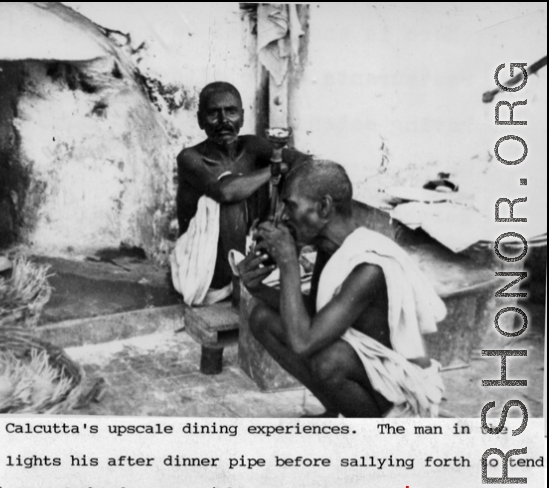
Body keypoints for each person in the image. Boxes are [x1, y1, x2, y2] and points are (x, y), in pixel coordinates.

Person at [237, 160, 446, 418]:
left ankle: (370, 432)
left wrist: (289, 263)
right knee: (262, 318)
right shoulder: (331, 248)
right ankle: (338, 410)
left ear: (324, 207)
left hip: (401, 397)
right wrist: (258, 289)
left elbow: (304, 343)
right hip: (369, 374)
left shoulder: (369, 267)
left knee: (329, 360)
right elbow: (313, 316)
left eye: (290, 205)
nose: (284, 216)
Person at [172, 81, 306, 305]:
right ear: (200, 119)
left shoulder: (251, 146)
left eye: (231, 112)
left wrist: (284, 177)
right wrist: (276, 168)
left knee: (288, 183)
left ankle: (250, 275)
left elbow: (301, 161)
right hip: (201, 263)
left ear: (242, 117)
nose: (224, 121)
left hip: (246, 249)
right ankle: (238, 287)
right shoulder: (190, 157)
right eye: (214, 113)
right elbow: (226, 192)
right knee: (232, 193)